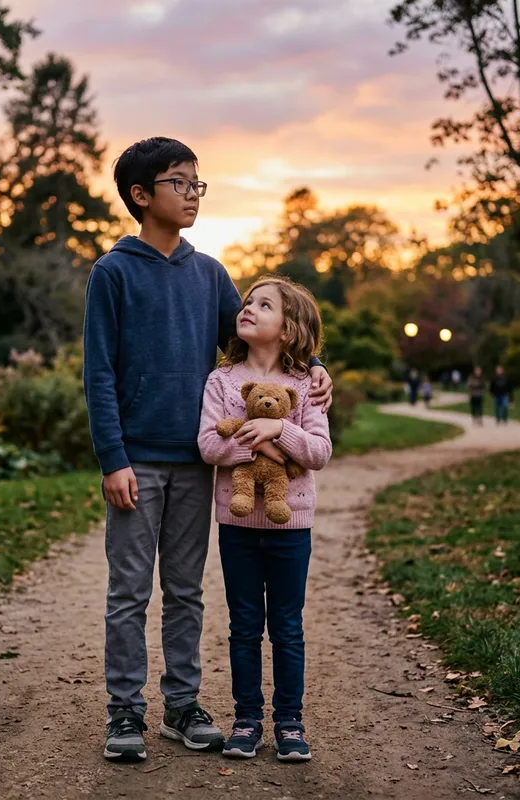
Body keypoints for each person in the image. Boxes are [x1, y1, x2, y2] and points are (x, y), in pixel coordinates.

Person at [82, 137, 333, 762]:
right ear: (142, 195)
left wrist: (315, 365)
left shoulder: (210, 275)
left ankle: (181, 705)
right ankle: (124, 710)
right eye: (180, 183)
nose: (193, 194)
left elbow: (261, 343)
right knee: (129, 592)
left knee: (186, 591)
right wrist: (113, 459)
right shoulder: (113, 273)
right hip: (137, 462)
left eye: (198, 183)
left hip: (198, 465)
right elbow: (99, 373)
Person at [197, 275, 332, 763]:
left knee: (288, 627)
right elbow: (208, 445)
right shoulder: (222, 381)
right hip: (237, 527)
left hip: (291, 528)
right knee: (244, 626)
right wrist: (256, 443)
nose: (248, 308)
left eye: (264, 305)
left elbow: (319, 451)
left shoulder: (305, 386)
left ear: (288, 327)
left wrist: (279, 430)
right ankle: (247, 720)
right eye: (248, 302)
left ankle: (290, 722)